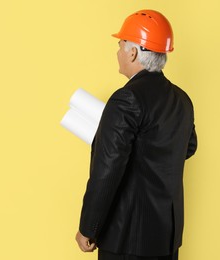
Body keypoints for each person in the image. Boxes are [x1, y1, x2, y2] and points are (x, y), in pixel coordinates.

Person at [75, 10, 197, 260]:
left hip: (127, 239)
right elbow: (188, 147)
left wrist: (88, 228)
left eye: (120, 45)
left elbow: (106, 171)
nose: (118, 52)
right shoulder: (182, 99)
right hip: (167, 237)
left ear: (133, 52)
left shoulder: (126, 99)